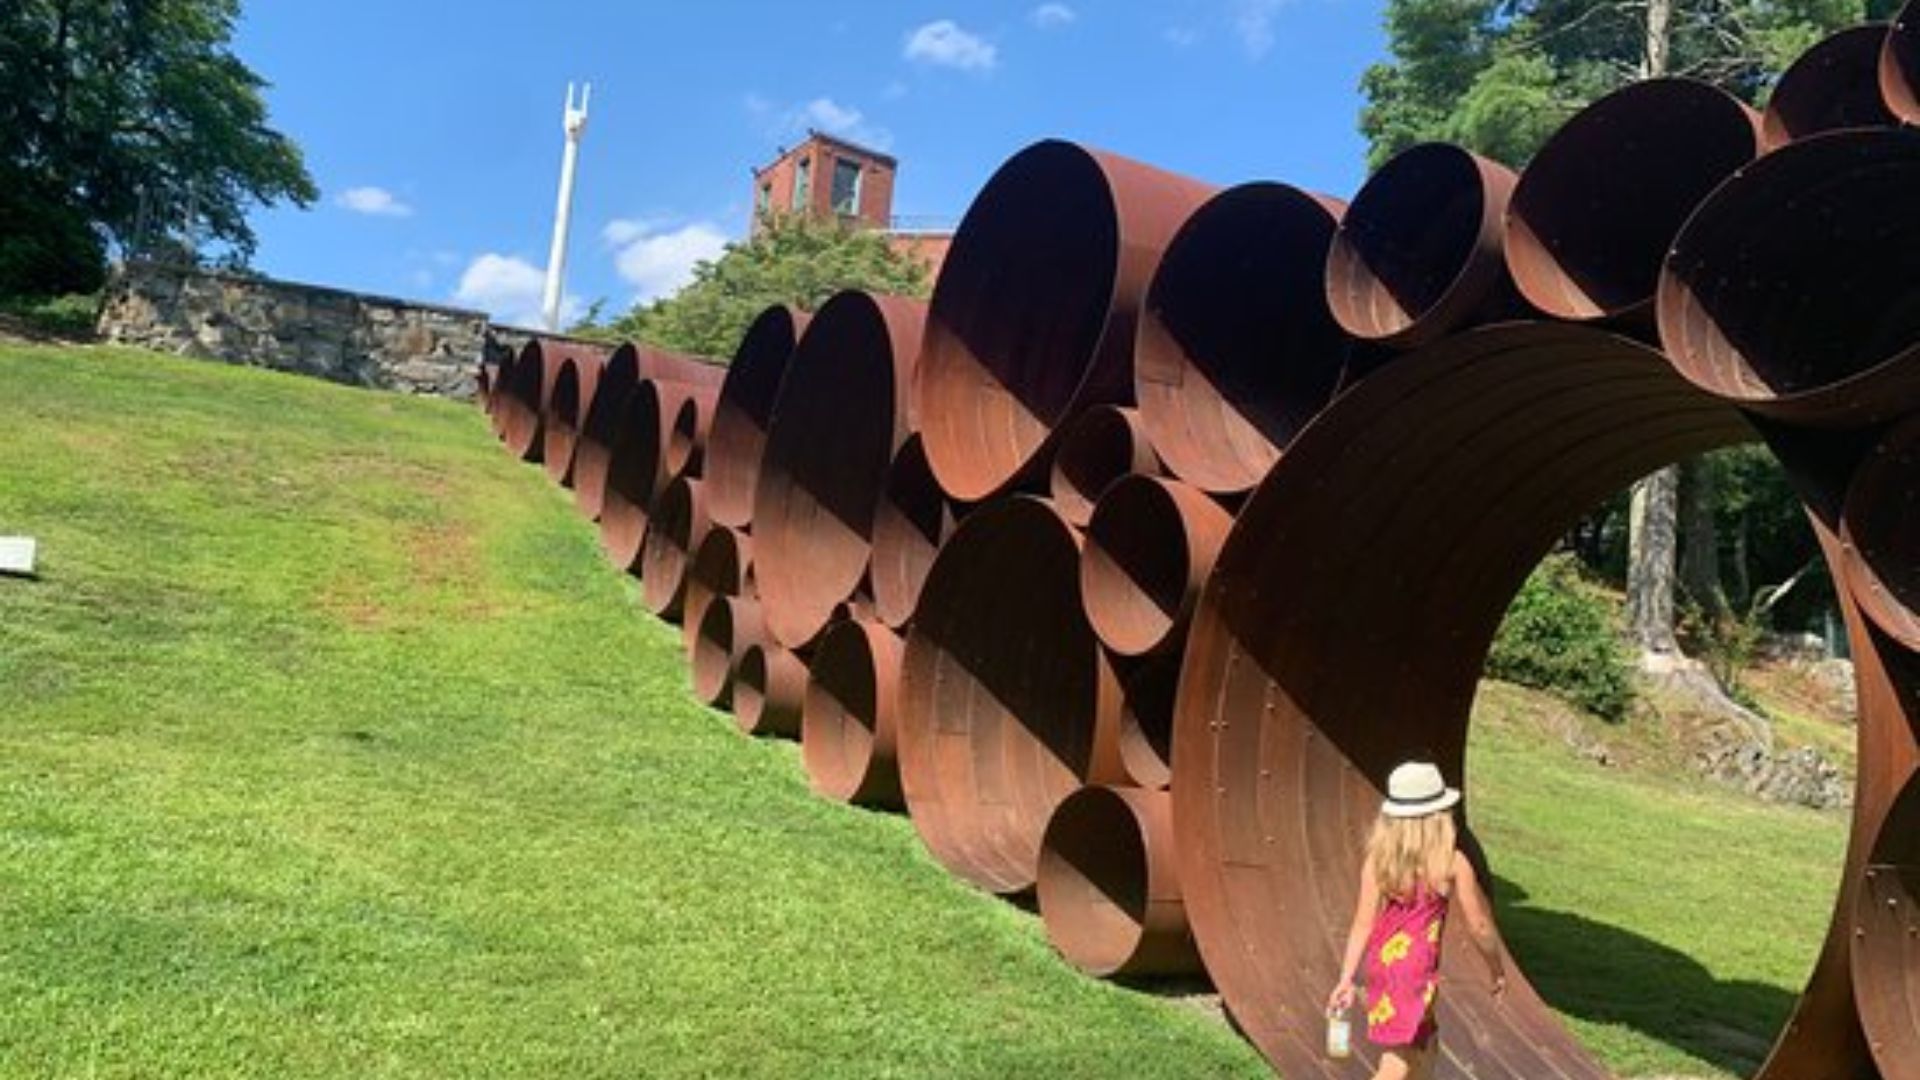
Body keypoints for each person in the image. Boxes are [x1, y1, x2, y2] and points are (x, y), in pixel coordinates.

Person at [1325, 761, 1509, 1080]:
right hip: (1414, 972)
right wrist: (1497, 968)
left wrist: (1346, 977)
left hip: (1383, 966)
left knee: (1424, 1048)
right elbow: (1478, 924)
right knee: (1397, 1064)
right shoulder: (1450, 862)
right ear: (1439, 816)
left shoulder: (1378, 861)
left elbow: (1362, 924)